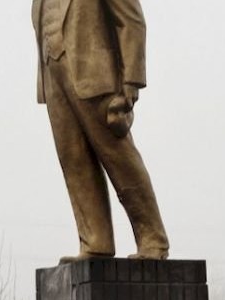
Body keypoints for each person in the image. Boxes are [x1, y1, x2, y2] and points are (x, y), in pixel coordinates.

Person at [32, 0, 170, 263]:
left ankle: (153, 239)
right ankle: (95, 241)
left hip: (95, 75)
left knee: (119, 157)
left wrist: (131, 82)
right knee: (74, 160)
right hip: (54, 77)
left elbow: (131, 20)